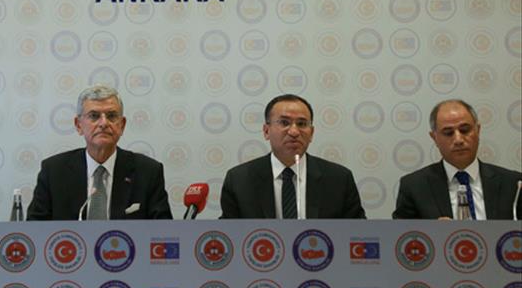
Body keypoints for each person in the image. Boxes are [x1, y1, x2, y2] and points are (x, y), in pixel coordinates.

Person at [27, 85, 173, 220]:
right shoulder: (54, 172)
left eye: (111, 116)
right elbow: (34, 229)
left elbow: (163, 231)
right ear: (78, 125)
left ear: (122, 125)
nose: (103, 123)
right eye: (94, 116)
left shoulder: (148, 172)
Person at [220, 94, 366, 219]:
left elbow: (357, 233)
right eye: (284, 123)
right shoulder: (239, 180)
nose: (294, 132)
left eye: (302, 124)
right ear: (266, 131)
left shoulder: (339, 179)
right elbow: (229, 235)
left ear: (311, 133)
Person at [393, 99, 522, 220]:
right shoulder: (414, 187)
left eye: (465, 130)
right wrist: (432, 232)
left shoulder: (514, 184)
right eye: (448, 133)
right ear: (434, 138)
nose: (458, 140)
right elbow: (401, 234)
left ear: (478, 131)